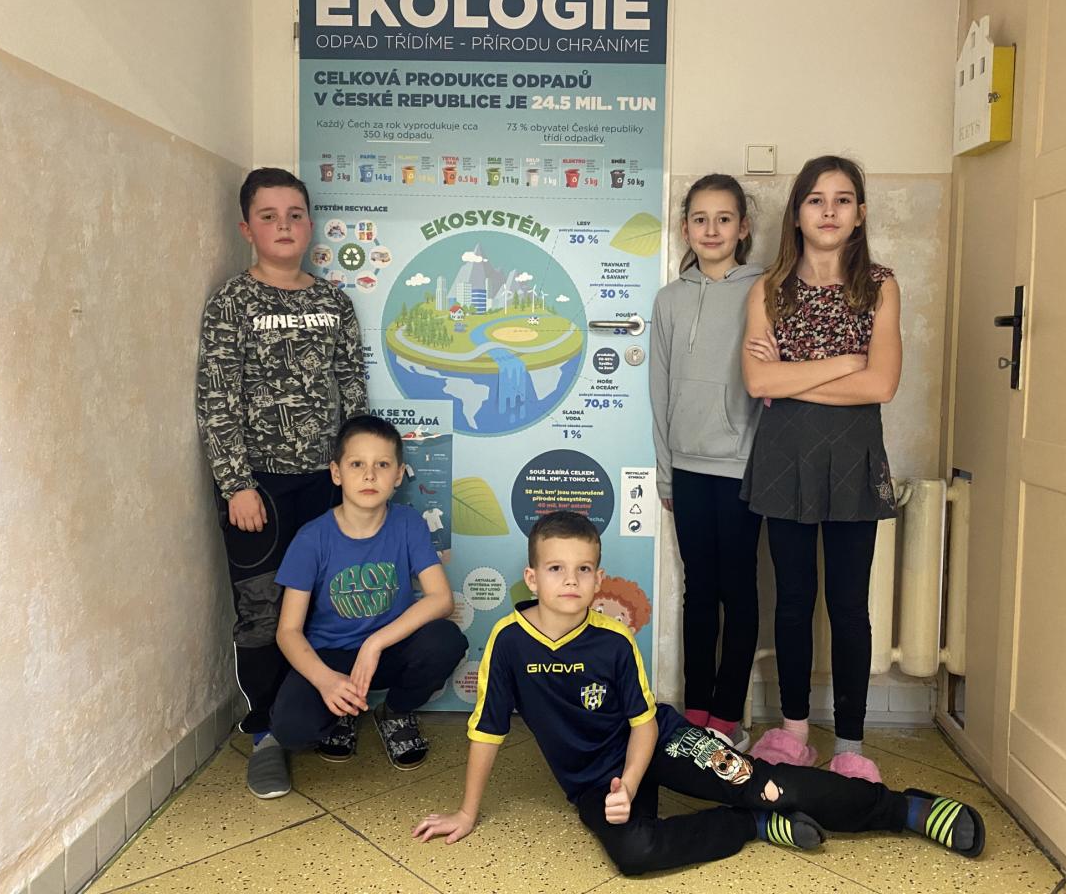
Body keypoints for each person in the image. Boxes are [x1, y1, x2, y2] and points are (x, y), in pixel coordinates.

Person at [412, 511, 984, 875]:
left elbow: (642, 724)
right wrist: (466, 812)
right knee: (634, 855)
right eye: (557, 569)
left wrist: (632, 778)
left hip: (659, 741)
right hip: (593, 779)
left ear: (598, 578)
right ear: (533, 578)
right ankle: (750, 825)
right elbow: (487, 730)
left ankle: (905, 809)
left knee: (769, 785)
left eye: (584, 569)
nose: (571, 581)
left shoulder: (614, 641)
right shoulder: (509, 641)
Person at [196, 167, 368, 798]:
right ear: (248, 229)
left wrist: (356, 474)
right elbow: (216, 399)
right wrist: (235, 484)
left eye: (295, 214)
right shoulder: (231, 303)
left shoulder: (334, 303)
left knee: (328, 601)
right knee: (263, 611)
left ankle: (327, 708)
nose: (284, 226)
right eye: (268, 216)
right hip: (259, 490)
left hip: (327, 485)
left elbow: (353, 390)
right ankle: (267, 732)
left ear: (310, 224)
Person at [740, 156, 901, 782]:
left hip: (854, 460)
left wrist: (792, 376)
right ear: (797, 214)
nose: (829, 211)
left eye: (842, 199)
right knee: (793, 600)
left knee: (849, 605)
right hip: (785, 459)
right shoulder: (769, 289)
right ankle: (794, 733)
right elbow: (758, 382)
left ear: (860, 213)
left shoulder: (880, 286)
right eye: (815, 199)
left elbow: (881, 385)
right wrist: (843, 364)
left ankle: (852, 744)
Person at [268, 415, 467, 778]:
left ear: (399, 475)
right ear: (337, 473)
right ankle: (342, 712)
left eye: (382, 465)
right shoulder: (312, 538)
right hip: (332, 656)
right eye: (357, 464)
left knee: (445, 640)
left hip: (389, 650)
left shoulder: (407, 523)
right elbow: (288, 631)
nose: (370, 476)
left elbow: (441, 599)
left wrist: (374, 644)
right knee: (291, 729)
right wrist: (326, 681)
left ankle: (395, 712)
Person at [650, 173, 764, 751]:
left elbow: (771, 383)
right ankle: (695, 710)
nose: (712, 229)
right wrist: (666, 473)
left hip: (744, 468)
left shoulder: (764, 291)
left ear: (743, 227)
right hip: (687, 470)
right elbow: (659, 391)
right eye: (700, 219)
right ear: (686, 228)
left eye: (724, 218)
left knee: (738, 589)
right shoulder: (669, 299)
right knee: (698, 589)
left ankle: (728, 715)